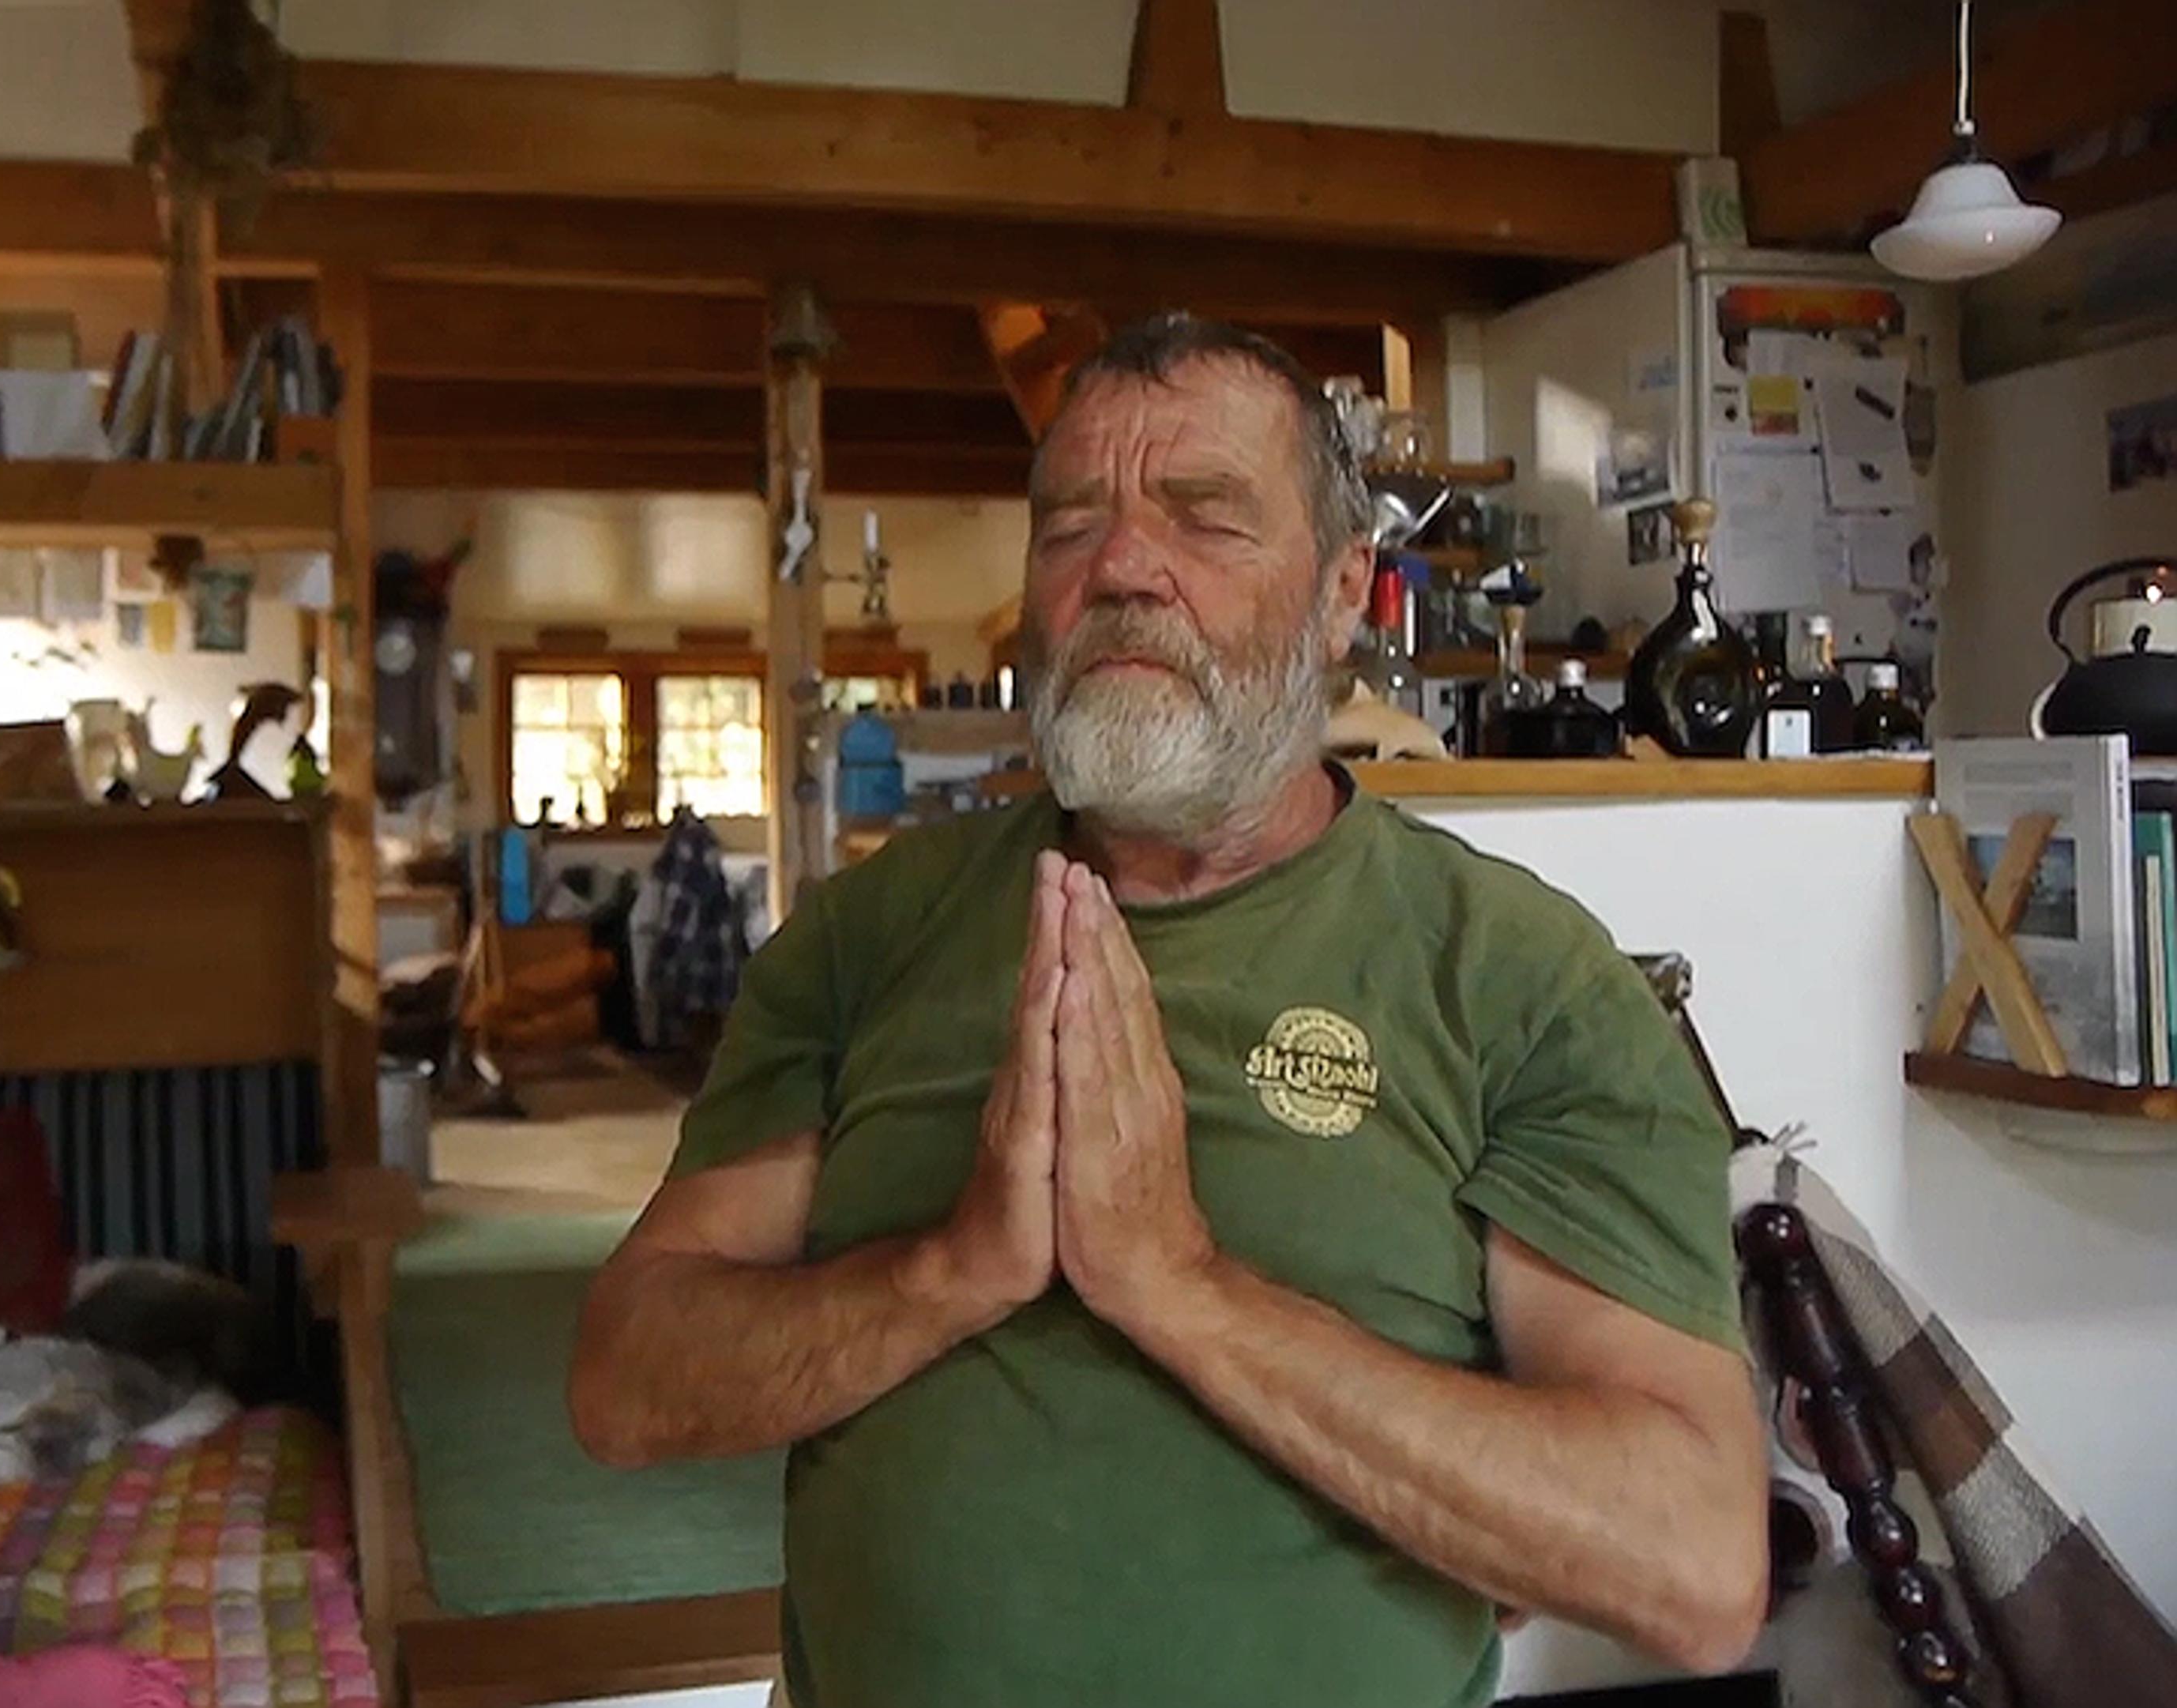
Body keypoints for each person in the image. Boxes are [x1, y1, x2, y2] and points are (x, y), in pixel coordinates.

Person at [566, 314, 1767, 1708]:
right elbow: (625, 1382)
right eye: (1071, 523)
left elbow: (1692, 1562)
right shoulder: (869, 936)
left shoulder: (1515, 978)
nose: (1123, 565)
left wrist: (1178, 1283)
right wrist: (953, 1269)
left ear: (1340, 598)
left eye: (1204, 519)